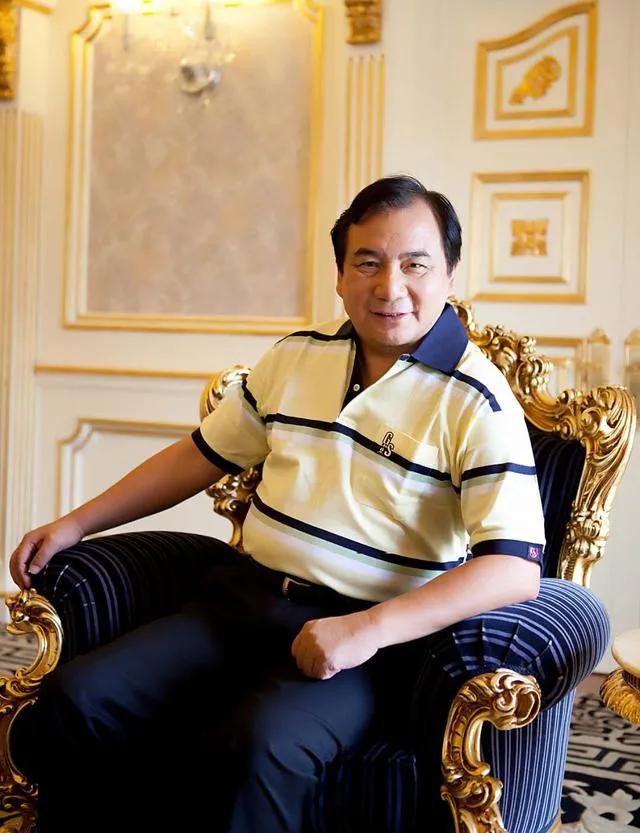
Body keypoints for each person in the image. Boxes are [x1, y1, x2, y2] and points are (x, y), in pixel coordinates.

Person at [10, 175, 545, 833]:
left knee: (263, 746)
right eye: (368, 263)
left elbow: (513, 569)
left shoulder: (477, 399)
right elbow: (200, 455)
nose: (390, 286)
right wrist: (75, 523)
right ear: (340, 276)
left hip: (364, 638)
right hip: (240, 603)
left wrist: (366, 629)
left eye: (415, 265)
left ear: (450, 275)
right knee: (78, 698)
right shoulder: (297, 355)